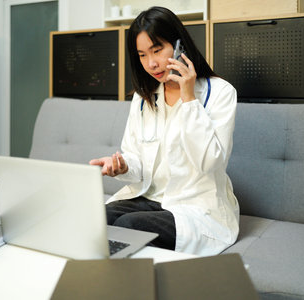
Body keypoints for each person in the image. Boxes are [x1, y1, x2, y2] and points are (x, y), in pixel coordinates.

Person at [89, 6, 239, 256]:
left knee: (129, 227)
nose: (152, 63)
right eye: (142, 55)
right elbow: (137, 160)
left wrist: (188, 98)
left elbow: (210, 164)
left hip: (195, 206)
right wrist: (123, 166)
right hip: (151, 198)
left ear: (180, 45)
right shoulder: (143, 98)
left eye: (157, 50)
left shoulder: (220, 93)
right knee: (97, 217)